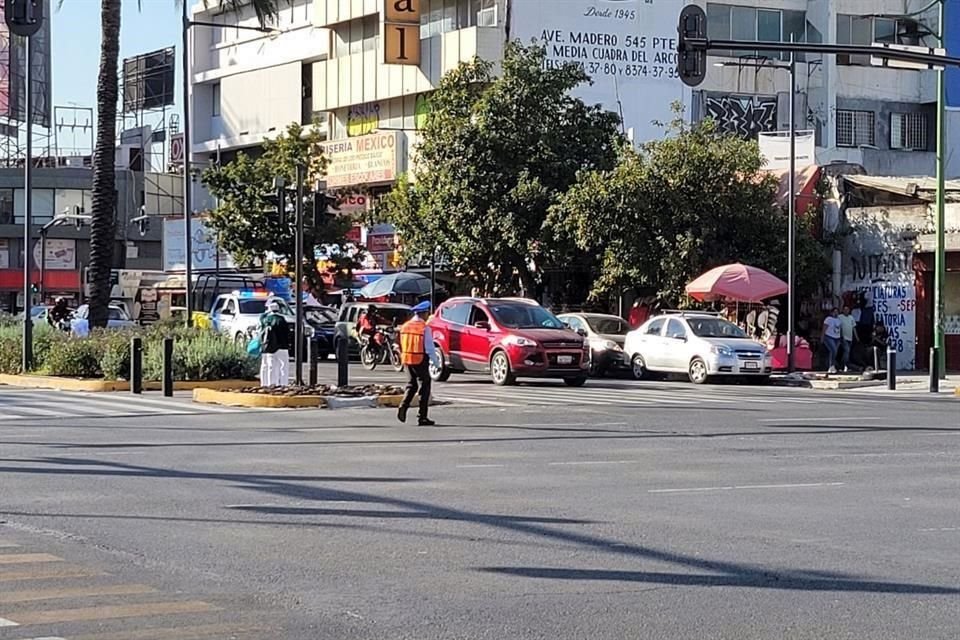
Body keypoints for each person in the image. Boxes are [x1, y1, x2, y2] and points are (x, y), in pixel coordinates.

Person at [397, 301, 437, 426]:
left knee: (411, 385)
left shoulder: (405, 326)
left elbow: (399, 344)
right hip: (420, 359)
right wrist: (436, 363)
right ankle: (422, 417)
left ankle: (403, 406)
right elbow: (429, 347)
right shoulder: (424, 328)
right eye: (427, 313)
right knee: (424, 387)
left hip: (407, 359)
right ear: (423, 314)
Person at [259, 300, 291, 387]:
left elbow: (261, 321)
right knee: (283, 366)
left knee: (270, 366)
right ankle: (283, 384)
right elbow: (287, 333)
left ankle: (269, 384)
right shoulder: (282, 319)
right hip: (282, 346)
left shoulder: (265, 320)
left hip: (269, 347)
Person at [822, 307, 842, 374]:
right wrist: (822, 337)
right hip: (829, 336)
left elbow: (840, 329)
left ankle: (831, 366)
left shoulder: (839, 320)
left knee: (833, 352)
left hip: (837, 338)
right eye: (834, 312)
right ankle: (832, 366)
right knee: (834, 350)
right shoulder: (828, 319)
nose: (835, 313)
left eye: (837, 312)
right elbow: (824, 328)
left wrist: (840, 337)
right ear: (831, 313)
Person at [838, 305, 857, 372]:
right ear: (842, 310)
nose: (846, 311)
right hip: (843, 337)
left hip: (850, 338)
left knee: (847, 352)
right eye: (845, 309)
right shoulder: (839, 317)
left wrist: (857, 337)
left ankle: (845, 366)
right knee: (847, 351)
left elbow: (854, 328)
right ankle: (843, 365)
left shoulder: (851, 317)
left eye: (847, 309)